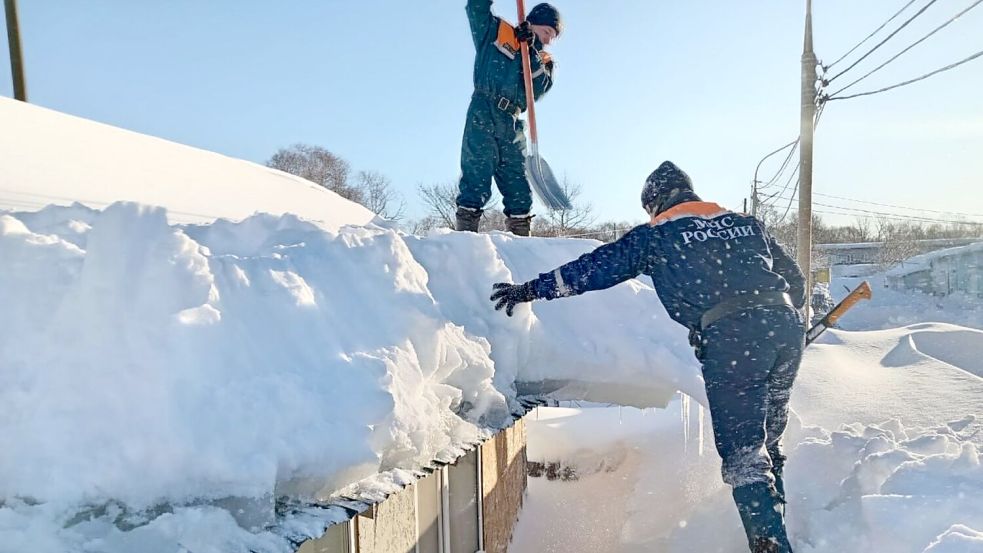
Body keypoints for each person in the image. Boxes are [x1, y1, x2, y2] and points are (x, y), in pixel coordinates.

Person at [489, 161, 806, 553]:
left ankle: (774, 546)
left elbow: (594, 269)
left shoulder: (657, 235)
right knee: (768, 438)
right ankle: (780, 522)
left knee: (744, 455)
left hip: (733, 338)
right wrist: (784, 315)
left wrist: (530, 290)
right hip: (785, 328)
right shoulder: (746, 223)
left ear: (654, 204)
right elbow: (795, 279)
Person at [455, 1, 562, 236]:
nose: (550, 40)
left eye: (553, 36)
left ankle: (521, 244)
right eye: (547, 32)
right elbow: (476, 8)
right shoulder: (497, 31)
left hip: (512, 122)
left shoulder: (545, 60)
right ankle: (463, 241)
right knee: (476, 174)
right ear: (534, 23)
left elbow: (538, 88)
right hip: (484, 109)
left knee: (518, 186)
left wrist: (531, 50)